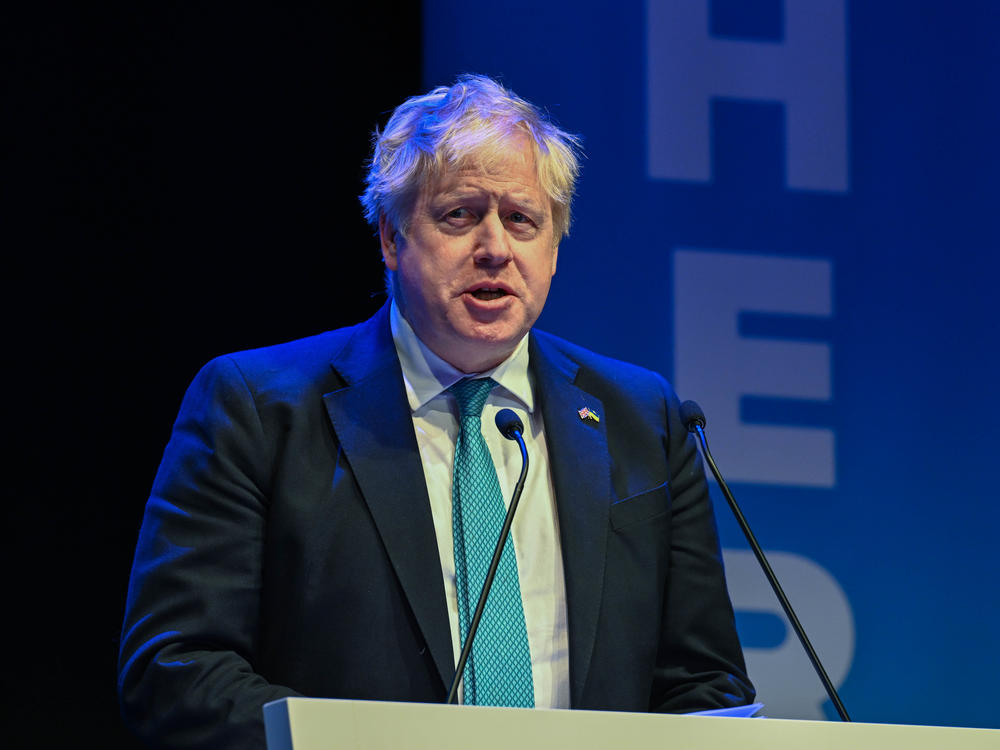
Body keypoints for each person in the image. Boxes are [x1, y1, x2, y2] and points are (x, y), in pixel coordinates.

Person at [118, 74, 754, 749]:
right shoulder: (258, 407)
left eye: (522, 219)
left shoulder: (643, 419)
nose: (495, 248)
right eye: (459, 215)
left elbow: (703, 686)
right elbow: (176, 671)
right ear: (391, 239)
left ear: (554, 246)